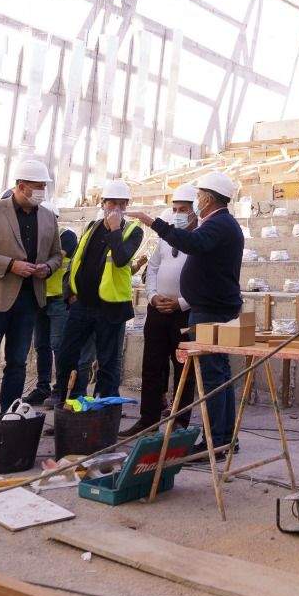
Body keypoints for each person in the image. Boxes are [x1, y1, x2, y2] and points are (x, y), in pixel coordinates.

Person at [129, 170, 243, 451]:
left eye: (200, 196)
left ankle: (217, 440)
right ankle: (225, 437)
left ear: (208, 198)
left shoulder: (218, 224)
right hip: (217, 308)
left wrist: (155, 223)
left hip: (211, 311)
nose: (198, 201)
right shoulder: (221, 223)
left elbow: (193, 243)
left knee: (213, 376)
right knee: (220, 374)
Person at [0, 157, 60, 439]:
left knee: (17, 364)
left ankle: (8, 421)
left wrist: (48, 267)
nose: (42, 191)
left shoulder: (47, 217)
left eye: (44, 186)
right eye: (38, 186)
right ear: (21, 186)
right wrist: (10, 264)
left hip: (29, 300)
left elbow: (57, 254)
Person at [54, 178, 143, 409]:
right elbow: (76, 261)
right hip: (82, 305)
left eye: (121, 204)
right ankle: (71, 403)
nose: (116, 208)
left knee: (108, 363)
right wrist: (70, 294)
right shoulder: (91, 227)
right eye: (111, 203)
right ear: (103, 203)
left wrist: (114, 229)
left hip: (110, 308)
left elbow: (122, 258)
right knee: (67, 356)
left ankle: (106, 411)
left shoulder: (133, 231)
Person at [126, 183, 197, 438]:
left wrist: (182, 302)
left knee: (183, 369)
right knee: (152, 366)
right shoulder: (166, 238)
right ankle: (148, 418)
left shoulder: (199, 239)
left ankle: (180, 422)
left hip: (185, 312)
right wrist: (154, 296)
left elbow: (205, 279)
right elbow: (153, 268)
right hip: (158, 310)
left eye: (183, 209)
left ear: (195, 212)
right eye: (175, 208)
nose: (177, 213)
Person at [27, 226, 96, 408]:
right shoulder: (36, 234)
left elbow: (56, 258)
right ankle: (43, 388)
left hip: (59, 299)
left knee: (60, 346)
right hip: (40, 297)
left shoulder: (66, 235)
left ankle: (62, 388)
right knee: (41, 345)